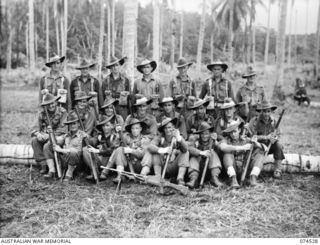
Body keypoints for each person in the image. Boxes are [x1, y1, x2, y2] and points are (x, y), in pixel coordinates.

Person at [218, 121, 266, 188]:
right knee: (227, 154)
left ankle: (253, 178)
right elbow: (222, 147)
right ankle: (233, 180)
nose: (233, 134)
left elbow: (265, 148)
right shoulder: (226, 140)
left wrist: (256, 143)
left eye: (235, 131)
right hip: (232, 169)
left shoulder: (246, 139)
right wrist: (242, 147)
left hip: (245, 169)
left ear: (239, 130)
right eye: (231, 132)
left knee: (260, 152)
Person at [30, 93, 67, 175]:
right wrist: (38, 134)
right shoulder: (41, 113)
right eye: (48, 104)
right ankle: (43, 165)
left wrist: (50, 135)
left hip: (58, 136)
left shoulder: (62, 112)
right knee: (34, 140)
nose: (51, 106)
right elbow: (34, 127)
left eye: (52, 103)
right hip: (45, 135)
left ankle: (54, 168)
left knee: (48, 144)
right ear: (45, 105)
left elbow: (62, 129)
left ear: (56, 103)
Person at [145, 117, 189, 185]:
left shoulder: (177, 137)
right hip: (162, 165)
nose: (168, 130)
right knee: (155, 152)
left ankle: (180, 178)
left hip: (174, 165)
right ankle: (158, 176)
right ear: (163, 129)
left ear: (173, 127)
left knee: (185, 153)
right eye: (165, 128)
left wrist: (179, 139)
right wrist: (162, 150)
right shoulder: (160, 137)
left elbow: (185, 149)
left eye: (169, 127)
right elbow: (150, 146)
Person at [248, 100, 285, 179]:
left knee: (278, 145)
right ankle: (254, 172)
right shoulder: (254, 121)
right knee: (258, 156)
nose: (266, 114)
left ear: (271, 111)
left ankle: (277, 170)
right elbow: (252, 137)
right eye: (264, 111)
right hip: (258, 147)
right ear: (261, 111)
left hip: (269, 146)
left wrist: (274, 138)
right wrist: (266, 137)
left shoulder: (273, 121)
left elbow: (278, 134)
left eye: (268, 111)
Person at [46, 111, 88, 182]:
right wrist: (50, 133)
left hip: (77, 164)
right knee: (47, 145)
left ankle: (69, 174)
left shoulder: (83, 135)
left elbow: (78, 151)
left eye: (74, 123)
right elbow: (55, 141)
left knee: (73, 152)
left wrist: (60, 150)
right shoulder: (66, 135)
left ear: (78, 124)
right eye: (70, 124)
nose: (72, 126)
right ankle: (52, 171)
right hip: (66, 161)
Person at [108, 118, 151, 183]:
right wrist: (118, 134)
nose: (134, 130)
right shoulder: (126, 137)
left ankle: (141, 177)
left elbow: (142, 154)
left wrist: (131, 151)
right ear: (130, 129)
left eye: (137, 128)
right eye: (133, 128)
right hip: (128, 163)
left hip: (139, 165)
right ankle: (119, 176)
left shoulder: (145, 139)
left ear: (140, 129)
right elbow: (114, 145)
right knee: (119, 149)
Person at [83, 115, 122, 180]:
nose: (105, 128)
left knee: (116, 150)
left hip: (109, 162)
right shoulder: (99, 136)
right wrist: (86, 137)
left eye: (107, 125)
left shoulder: (115, 136)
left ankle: (105, 173)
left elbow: (112, 150)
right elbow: (91, 142)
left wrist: (98, 151)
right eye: (103, 126)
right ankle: (94, 171)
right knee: (85, 149)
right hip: (99, 160)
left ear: (112, 126)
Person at [187, 122, 223, 188]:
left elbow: (220, 149)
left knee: (212, 153)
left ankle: (214, 178)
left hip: (210, 170)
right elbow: (189, 148)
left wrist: (215, 142)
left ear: (210, 134)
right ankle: (193, 180)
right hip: (198, 170)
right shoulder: (195, 140)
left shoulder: (213, 140)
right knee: (194, 157)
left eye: (206, 134)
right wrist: (201, 153)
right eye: (202, 134)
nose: (204, 136)